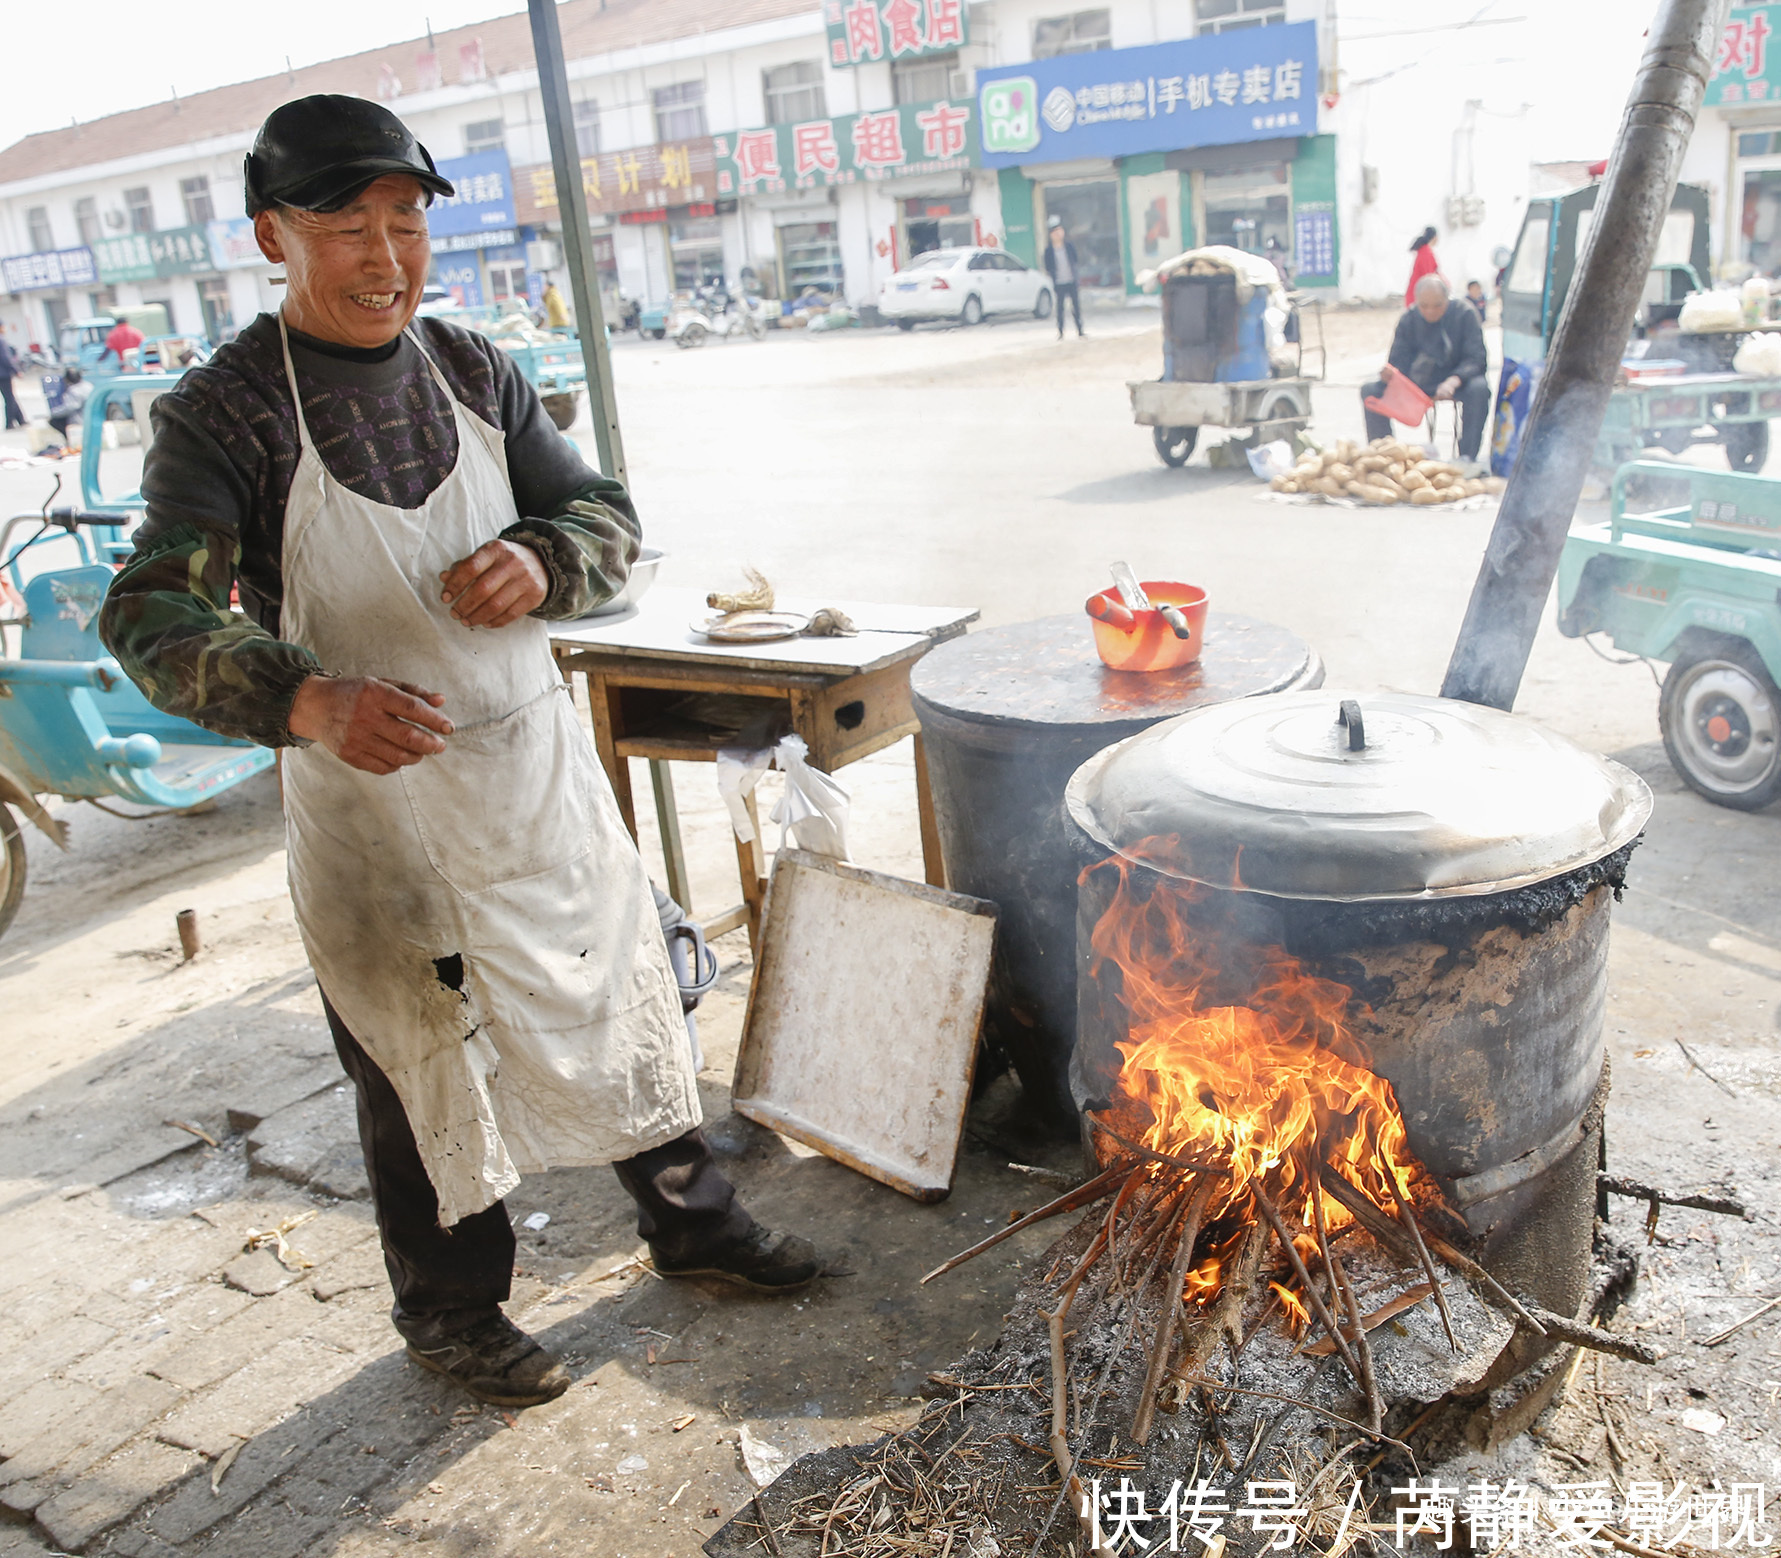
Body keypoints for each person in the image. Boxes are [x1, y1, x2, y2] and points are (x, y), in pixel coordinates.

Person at [99, 95, 818, 1410]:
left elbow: (603, 510)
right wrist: (304, 700)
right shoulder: (227, 412)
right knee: (419, 1056)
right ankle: (452, 1312)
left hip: (527, 779)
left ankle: (695, 1225)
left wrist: (546, 558)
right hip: (378, 809)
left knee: (617, 1000)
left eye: (405, 224)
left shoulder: (476, 369)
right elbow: (151, 610)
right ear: (274, 235)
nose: (385, 258)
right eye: (346, 227)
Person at [1360, 274, 1491, 464]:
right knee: (1370, 390)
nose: (1430, 311)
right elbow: (1398, 360)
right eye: (1424, 306)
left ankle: (1467, 457)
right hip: (1419, 381)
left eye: (1437, 305)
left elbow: (1477, 358)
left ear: (1447, 299)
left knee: (1479, 389)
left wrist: (1454, 380)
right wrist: (1391, 374)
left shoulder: (1465, 314)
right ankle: (1385, 454)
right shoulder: (1409, 319)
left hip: (1456, 379)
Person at [1042, 217, 1085, 339]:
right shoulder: (1049, 250)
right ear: (1051, 235)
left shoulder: (1069, 246)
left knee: (1076, 307)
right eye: (1055, 232)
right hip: (1059, 283)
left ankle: (1080, 330)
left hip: (1071, 280)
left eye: (1060, 231)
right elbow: (1048, 266)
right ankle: (1061, 332)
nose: (1058, 234)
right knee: (1060, 308)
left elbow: (1075, 260)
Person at [47, 367, 92, 446]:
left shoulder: (74, 390)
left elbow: (70, 408)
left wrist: (54, 412)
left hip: (80, 419)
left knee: (54, 421)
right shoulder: (88, 386)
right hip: (92, 416)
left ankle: (68, 438)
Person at [1405, 226, 1440, 310]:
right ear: (1435, 238)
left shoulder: (1424, 251)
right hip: (1419, 296)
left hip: (1418, 293)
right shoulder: (1426, 253)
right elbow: (1428, 277)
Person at [0, 335, 23, 429]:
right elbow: (6, 357)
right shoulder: (1, 341)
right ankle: (9, 423)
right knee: (9, 398)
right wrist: (16, 370)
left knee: (9, 396)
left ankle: (21, 419)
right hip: (4, 374)